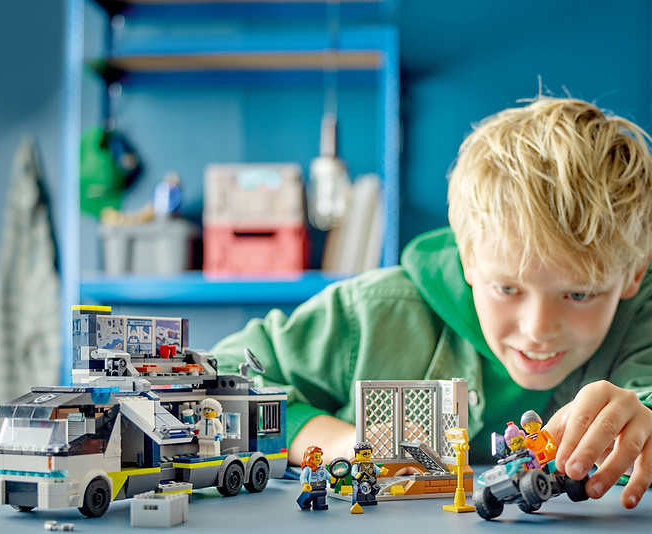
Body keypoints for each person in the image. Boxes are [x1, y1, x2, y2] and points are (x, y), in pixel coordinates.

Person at [211, 96, 652, 509]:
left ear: (633, 272)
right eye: (507, 288)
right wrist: (341, 443)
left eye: (579, 294)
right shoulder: (373, 311)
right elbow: (220, 377)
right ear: (468, 258)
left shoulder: (643, 318)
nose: (538, 328)